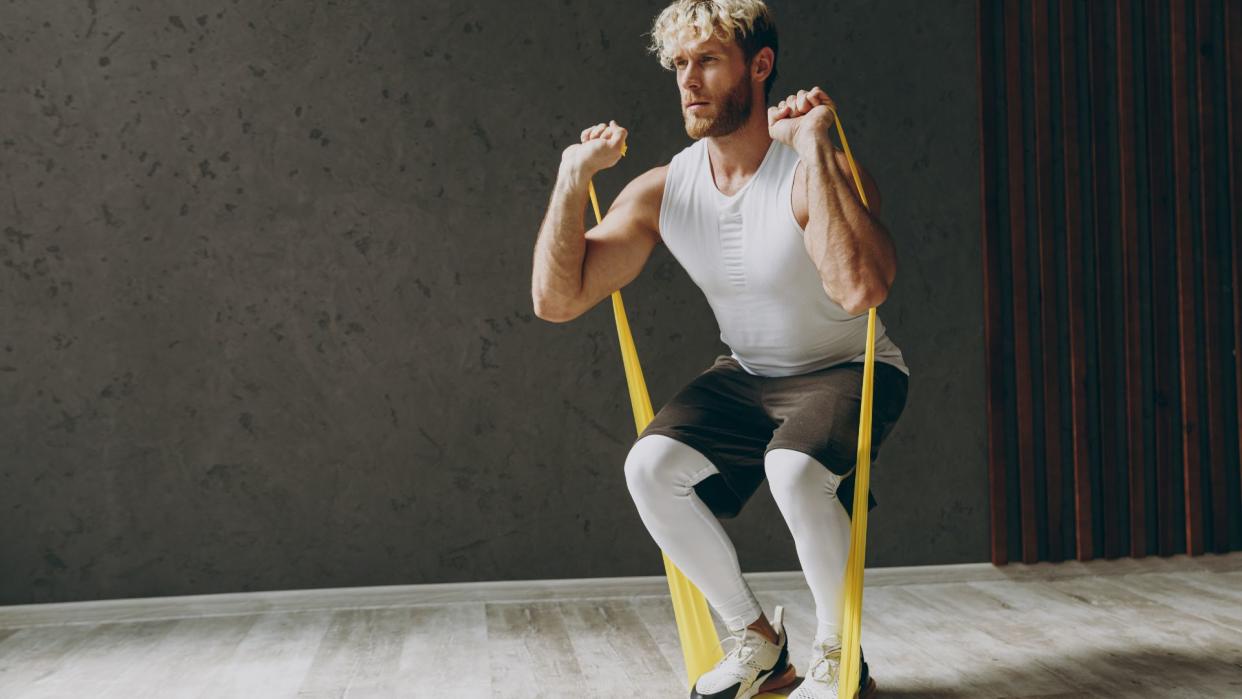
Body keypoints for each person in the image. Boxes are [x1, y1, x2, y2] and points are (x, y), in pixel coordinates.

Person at [531, 1, 908, 697]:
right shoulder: (666, 188)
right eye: (678, 64)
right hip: (747, 374)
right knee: (649, 467)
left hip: (849, 368)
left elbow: (863, 290)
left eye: (707, 59)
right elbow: (557, 300)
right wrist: (571, 177)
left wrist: (818, 142)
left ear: (759, 66)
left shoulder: (809, 168)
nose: (688, 81)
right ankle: (758, 642)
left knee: (795, 470)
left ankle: (836, 652)